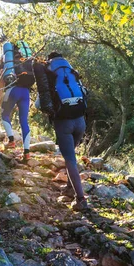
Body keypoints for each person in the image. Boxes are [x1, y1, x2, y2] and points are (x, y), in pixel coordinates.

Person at [35, 51, 89, 211]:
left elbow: (40, 105)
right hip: (81, 122)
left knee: (70, 159)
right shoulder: (71, 73)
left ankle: (81, 199)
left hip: (64, 124)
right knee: (71, 154)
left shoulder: (50, 76)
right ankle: (70, 187)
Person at [0, 43, 36, 161]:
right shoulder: (26, 58)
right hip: (25, 92)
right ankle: (27, 153)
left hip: (12, 90)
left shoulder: (7, 58)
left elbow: (1, 77)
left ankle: (11, 141)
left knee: (4, 115)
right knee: (24, 121)